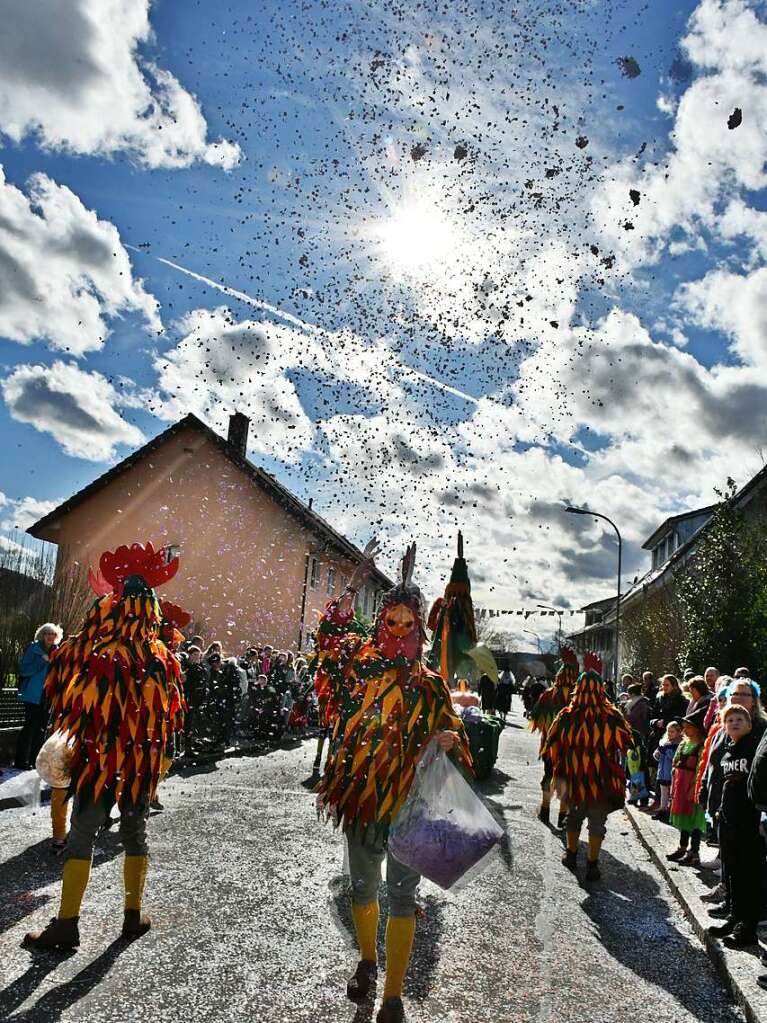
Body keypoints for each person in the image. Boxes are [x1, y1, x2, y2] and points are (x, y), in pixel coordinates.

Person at [313, 541, 472, 1023]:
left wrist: (448, 736)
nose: (399, 631)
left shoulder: (430, 683)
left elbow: (454, 730)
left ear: (419, 627)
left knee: (402, 896)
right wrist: (353, 589)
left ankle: (393, 996)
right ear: (382, 622)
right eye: (392, 621)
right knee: (364, 891)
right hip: (361, 796)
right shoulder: (357, 667)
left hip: (410, 804)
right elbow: (326, 643)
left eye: (408, 623)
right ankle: (367, 960)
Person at [23, 541, 185, 950]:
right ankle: (132, 916)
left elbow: (61, 687)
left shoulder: (90, 650)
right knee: (134, 834)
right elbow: (167, 721)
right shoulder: (163, 658)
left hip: (98, 760)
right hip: (138, 763)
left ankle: (68, 924)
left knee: (83, 835)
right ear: (151, 610)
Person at [542, 652, 634, 881]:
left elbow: (552, 744)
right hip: (602, 780)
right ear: (600, 690)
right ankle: (592, 864)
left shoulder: (566, 715)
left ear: (578, 688)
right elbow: (627, 743)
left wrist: (560, 767)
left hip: (574, 779)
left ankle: (571, 855)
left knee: (573, 818)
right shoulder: (612, 715)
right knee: (597, 822)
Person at [708, 703, 762, 948]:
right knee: (734, 875)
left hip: (749, 824)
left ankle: (747, 928)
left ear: (750, 725)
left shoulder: (753, 747)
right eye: (729, 720)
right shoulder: (727, 752)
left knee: (750, 876)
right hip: (728, 822)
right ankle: (735, 917)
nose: (735, 723)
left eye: (740, 719)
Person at [529, 646, 579, 827]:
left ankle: (545, 809)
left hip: (550, 746)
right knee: (566, 778)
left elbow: (536, 719)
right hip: (571, 747)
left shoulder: (548, 695)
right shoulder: (578, 697)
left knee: (549, 775)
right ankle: (562, 815)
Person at [14, 623, 62, 770]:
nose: (50, 636)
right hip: (32, 695)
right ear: (42, 634)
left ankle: (35, 761)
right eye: (47, 633)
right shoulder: (33, 649)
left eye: (53, 634)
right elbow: (24, 670)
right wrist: (42, 661)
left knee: (41, 729)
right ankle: (21, 761)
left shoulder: (57, 652)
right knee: (29, 727)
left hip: (47, 696)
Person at [666, 707, 708, 866]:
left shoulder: (701, 746)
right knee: (684, 818)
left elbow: (699, 768)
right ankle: (682, 847)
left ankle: (694, 851)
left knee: (694, 819)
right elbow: (675, 762)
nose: (685, 729)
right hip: (680, 785)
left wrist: (693, 788)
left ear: (697, 728)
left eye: (688, 726)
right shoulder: (684, 743)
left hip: (691, 786)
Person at [652, 721, 682, 822]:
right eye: (668, 731)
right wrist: (658, 753)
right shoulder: (664, 742)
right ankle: (662, 810)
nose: (670, 734)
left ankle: (670, 813)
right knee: (663, 793)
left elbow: (674, 758)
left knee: (671, 795)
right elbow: (656, 755)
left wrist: (667, 750)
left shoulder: (678, 744)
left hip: (671, 774)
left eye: (672, 731)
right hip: (662, 773)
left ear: (678, 732)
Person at [651, 674, 688, 739]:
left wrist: (665, 722)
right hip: (658, 734)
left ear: (674, 686)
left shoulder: (681, 700)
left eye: (667, 685)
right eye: (663, 685)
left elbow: (681, 718)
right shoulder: (660, 699)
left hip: (674, 735)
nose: (664, 687)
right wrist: (656, 722)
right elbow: (653, 716)